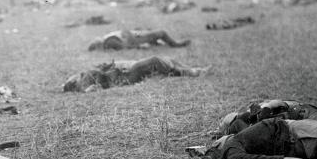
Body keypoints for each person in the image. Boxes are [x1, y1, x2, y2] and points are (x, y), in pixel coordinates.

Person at [63, 56, 209, 93]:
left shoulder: (85, 76)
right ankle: (193, 72)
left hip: (124, 71)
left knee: (163, 60)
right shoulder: (84, 82)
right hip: (124, 77)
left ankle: (193, 69)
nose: (76, 75)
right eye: (72, 79)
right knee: (155, 60)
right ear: (73, 83)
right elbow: (93, 88)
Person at [216, 99, 317, 136]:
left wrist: (267, 108)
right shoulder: (256, 121)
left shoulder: (258, 110)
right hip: (306, 115)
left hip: (305, 110)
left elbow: (277, 103)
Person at [87, 29, 190, 51]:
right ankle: (176, 44)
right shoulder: (109, 40)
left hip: (134, 35)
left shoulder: (107, 39)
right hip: (135, 38)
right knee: (161, 33)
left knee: (153, 35)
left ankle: (159, 44)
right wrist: (139, 47)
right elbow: (124, 46)